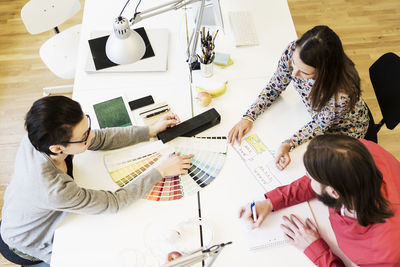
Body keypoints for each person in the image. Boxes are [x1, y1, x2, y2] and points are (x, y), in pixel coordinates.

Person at [0, 96, 194, 266]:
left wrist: (149, 131)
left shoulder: (39, 135)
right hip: (27, 243)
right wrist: (161, 170)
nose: (91, 135)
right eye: (85, 136)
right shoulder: (54, 189)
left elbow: (99, 138)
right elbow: (114, 203)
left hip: (21, 209)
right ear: (58, 148)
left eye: (87, 126)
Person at [239, 135, 400, 266]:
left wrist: (317, 250)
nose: (307, 180)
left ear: (334, 192)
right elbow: (326, 176)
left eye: (310, 177)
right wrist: (271, 201)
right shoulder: (357, 152)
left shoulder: (386, 252)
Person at [228, 25, 370, 170]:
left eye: (304, 72)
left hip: (341, 131)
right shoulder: (293, 50)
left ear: (324, 73)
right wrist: (249, 117)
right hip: (315, 114)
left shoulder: (341, 95)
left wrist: (288, 144)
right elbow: (275, 86)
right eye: (294, 64)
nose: (294, 73)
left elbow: (320, 125)